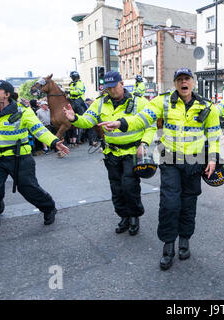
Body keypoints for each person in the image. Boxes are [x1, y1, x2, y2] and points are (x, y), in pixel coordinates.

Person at [98, 68, 220, 271]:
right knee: (170, 204)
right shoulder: (163, 102)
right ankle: (168, 246)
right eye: (179, 79)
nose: (183, 82)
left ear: (193, 82)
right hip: (170, 161)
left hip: (194, 163)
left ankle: (184, 241)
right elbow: (142, 118)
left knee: (188, 204)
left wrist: (214, 158)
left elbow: (214, 134)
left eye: (187, 79)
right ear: (175, 84)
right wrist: (120, 122)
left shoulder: (207, 106)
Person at [63, 71, 156, 237]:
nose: (111, 91)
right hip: (111, 153)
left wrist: (144, 144)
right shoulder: (99, 103)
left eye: (114, 86)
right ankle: (124, 216)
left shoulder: (139, 101)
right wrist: (74, 118)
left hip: (132, 152)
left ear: (121, 84)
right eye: (108, 88)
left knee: (129, 186)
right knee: (116, 187)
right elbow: (87, 121)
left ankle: (134, 216)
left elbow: (150, 126)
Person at [0, 80, 70, 251]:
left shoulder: (23, 111)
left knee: (28, 189)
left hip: (19, 159)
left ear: (7, 95)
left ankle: (48, 207)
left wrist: (54, 142)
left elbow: (39, 129)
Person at [67, 71, 86, 146]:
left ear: (76, 77)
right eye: (72, 77)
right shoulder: (72, 84)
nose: (72, 78)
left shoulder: (80, 83)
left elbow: (78, 92)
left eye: (73, 77)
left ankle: (81, 117)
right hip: (72, 99)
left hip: (79, 98)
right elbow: (71, 91)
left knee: (76, 106)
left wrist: (69, 92)